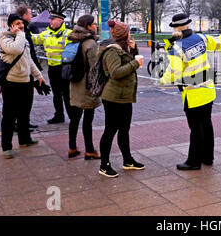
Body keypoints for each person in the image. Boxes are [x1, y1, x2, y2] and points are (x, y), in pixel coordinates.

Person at [160, 13, 221, 170]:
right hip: (207, 89)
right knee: (206, 124)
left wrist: (162, 80)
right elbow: (220, 43)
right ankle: (208, 157)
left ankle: (193, 161)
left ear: (177, 28)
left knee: (195, 128)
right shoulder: (201, 38)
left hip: (192, 92)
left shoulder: (177, 47)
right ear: (188, 25)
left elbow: (174, 71)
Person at [97, 19, 144, 178]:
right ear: (124, 35)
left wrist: (134, 49)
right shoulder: (112, 51)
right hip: (113, 97)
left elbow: (127, 62)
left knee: (124, 129)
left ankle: (128, 160)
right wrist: (136, 63)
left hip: (124, 96)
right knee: (110, 130)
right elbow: (115, 73)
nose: (131, 34)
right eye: (129, 32)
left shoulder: (123, 48)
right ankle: (104, 165)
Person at [0, 14, 46, 159]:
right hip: (11, 83)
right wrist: (19, 34)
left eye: (22, 23)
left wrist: (39, 76)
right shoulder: (4, 37)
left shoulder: (22, 38)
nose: (21, 26)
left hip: (25, 82)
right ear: (10, 25)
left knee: (24, 113)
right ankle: (6, 147)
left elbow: (28, 59)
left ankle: (24, 139)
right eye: (17, 23)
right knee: (9, 116)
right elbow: (16, 50)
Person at [67, 15, 101, 160]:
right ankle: (90, 150)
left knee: (74, 118)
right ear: (87, 26)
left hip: (74, 83)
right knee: (88, 119)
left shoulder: (73, 39)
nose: (96, 26)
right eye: (93, 24)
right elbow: (95, 68)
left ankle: (72, 147)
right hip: (87, 86)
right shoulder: (90, 44)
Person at [32, 11, 73, 124]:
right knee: (56, 94)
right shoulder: (46, 34)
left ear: (60, 21)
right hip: (52, 68)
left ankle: (72, 116)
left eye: (52, 19)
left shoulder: (69, 33)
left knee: (66, 93)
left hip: (64, 68)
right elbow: (33, 39)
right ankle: (59, 115)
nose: (50, 21)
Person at [16, 5, 42, 131]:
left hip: (28, 67)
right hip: (25, 69)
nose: (31, 16)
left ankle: (25, 121)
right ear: (24, 15)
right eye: (30, 14)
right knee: (24, 99)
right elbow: (27, 52)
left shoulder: (26, 28)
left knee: (27, 98)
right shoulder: (21, 30)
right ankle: (21, 124)